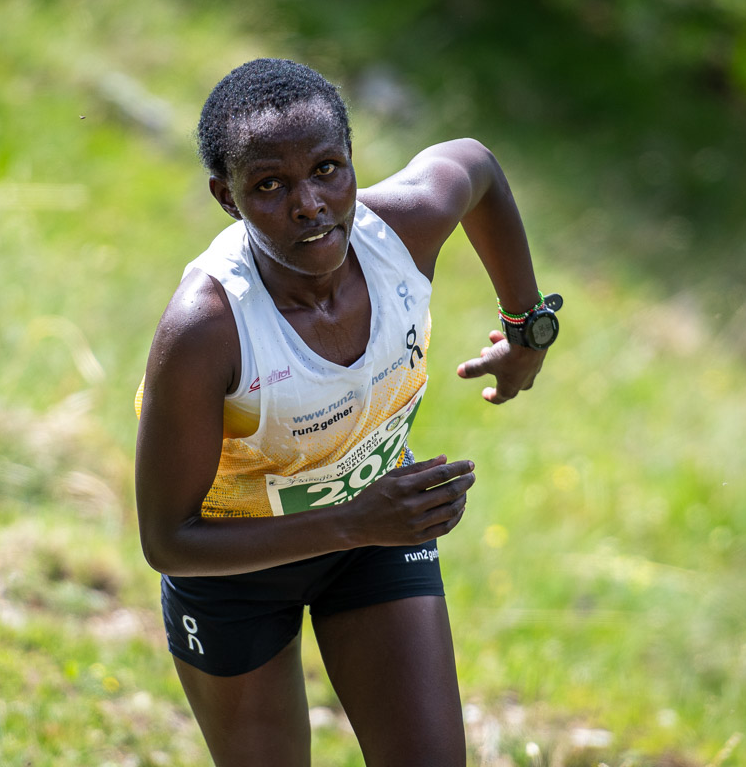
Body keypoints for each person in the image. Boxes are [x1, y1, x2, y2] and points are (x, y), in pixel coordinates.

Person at [134, 58, 560, 767]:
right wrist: (353, 521)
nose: (309, 203)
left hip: (372, 538)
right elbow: (167, 541)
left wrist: (527, 330)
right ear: (227, 197)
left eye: (327, 169)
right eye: (269, 185)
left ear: (352, 161)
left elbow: (476, 165)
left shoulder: (401, 233)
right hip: (236, 576)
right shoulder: (207, 328)